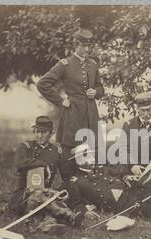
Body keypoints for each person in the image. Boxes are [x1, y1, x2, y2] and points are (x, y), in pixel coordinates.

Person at [36, 29, 105, 181]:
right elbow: (43, 84)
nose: (87, 49)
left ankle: (90, 189)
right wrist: (61, 101)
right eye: (84, 46)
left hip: (91, 116)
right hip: (73, 115)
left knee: (92, 153)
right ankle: (72, 189)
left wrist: (96, 92)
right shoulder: (65, 64)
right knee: (70, 153)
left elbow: (101, 89)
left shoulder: (93, 65)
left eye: (90, 46)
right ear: (76, 45)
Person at [64, 144, 151, 221]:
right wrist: (84, 212)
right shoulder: (75, 181)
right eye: (87, 154)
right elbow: (76, 203)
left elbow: (119, 171)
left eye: (91, 153)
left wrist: (126, 177)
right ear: (78, 160)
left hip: (132, 192)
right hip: (121, 204)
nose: (92, 156)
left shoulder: (101, 168)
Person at [7, 116, 83, 233]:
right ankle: (68, 215)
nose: (39, 135)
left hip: (45, 193)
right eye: (37, 132)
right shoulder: (26, 147)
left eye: (43, 132)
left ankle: (48, 224)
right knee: (38, 195)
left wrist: (76, 158)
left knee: (57, 193)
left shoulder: (56, 151)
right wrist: (43, 164)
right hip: (24, 195)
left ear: (51, 134)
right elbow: (19, 163)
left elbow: (66, 176)